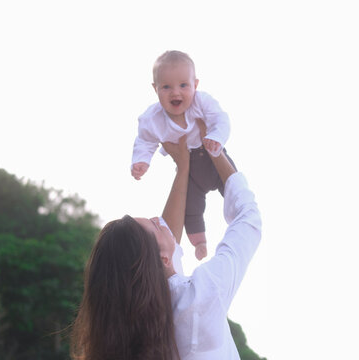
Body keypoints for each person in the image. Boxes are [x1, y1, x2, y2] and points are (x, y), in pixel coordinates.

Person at [71, 129, 262, 359]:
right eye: (154, 224)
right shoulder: (202, 294)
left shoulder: (143, 323)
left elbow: (165, 240)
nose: (160, 221)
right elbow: (248, 219)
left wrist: (183, 167)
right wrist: (215, 150)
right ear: (162, 258)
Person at [130, 50, 236, 261]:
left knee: (233, 185)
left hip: (211, 154)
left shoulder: (202, 102)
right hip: (189, 171)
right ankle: (199, 241)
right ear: (155, 89)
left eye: (183, 85)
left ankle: (239, 218)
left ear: (195, 85)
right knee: (191, 207)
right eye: (166, 87)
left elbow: (220, 119)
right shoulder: (152, 118)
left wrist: (215, 137)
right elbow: (145, 140)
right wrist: (141, 160)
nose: (175, 92)